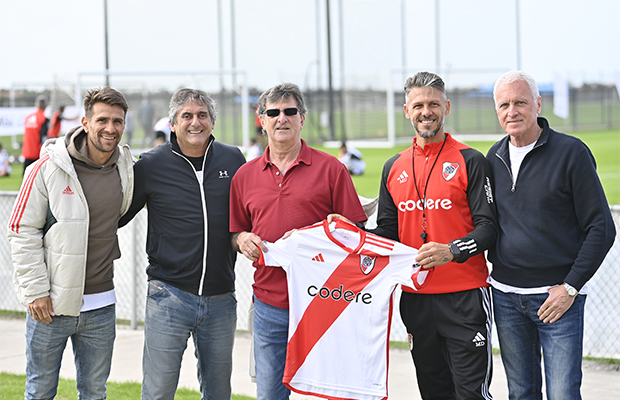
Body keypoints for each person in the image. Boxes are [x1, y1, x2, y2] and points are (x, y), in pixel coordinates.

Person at [229, 82, 367, 400]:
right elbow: (236, 232)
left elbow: (357, 231)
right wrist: (241, 239)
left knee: (336, 393)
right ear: (261, 119)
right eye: (273, 113)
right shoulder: (244, 176)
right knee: (270, 395)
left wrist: (313, 235)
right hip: (270, 305)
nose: (282, 119)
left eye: (290, 111)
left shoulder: (331, 169)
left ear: (302, 118)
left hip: (326, 302)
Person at [366, 71, 497, 399]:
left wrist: (452, 250)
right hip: (416, 300)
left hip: (465, 297)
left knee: (471, 394)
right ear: (406, 111)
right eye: (419, 105)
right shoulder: (393, 167)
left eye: (434, 104)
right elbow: (386, 233)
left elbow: (489, 228)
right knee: (433, 391)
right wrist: (348, 232)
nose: (427, 111)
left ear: (447, 107)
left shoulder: (470, 160)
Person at [486, 71, 616, 400]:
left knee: (562, 394)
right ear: (497, 111)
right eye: (504, 104)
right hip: (505, 297)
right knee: (521, 392)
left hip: (557, 299)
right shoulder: (493, 157)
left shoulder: (571, 153)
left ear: (538, 104)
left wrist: (570, 286)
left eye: (520, 102)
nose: (512, 111)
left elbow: (601, 227)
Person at [118, 88, 246, 400]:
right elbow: (117, 215)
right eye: (186, 116)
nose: (195, 122)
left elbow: (254, 212)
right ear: (173, 124)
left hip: (220, 298)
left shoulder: (234, 159)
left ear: (212, 122)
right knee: (158, 393)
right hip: (169, 296)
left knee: (219, 394)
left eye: (202, 115)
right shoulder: (151, 165)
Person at [7, 87, 134, 399]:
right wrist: (36, 292)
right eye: (102, 120)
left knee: (94, 393)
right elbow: (21, 231)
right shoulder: (47, 168)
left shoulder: (126, 168)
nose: (110, 128)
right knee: (39, 392)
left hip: (102, 306)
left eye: (117, 121)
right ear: (85, 122)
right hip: (50, 306)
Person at [22, 95, 49, 174]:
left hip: (27, 150)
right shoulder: (44, 119)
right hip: (37, 152)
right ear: (45, 106)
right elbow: (43, 137)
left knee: (26, 178)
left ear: (36, 105)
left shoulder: (28, 117)